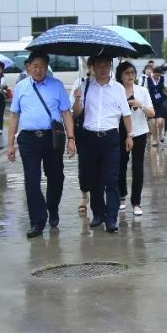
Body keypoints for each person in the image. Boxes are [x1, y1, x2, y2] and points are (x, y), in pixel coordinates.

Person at [6, 51, 77, 238]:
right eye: (35, 66)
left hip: (52, 138)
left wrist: (71, 139)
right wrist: (10, 143)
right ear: (28, 67)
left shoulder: (57, 86)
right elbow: (14, 115)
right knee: (31, 180)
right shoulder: (21, 87)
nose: (39, 70)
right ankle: (37, 221)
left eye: (42, 66)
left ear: (47, 67)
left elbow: (66, 113)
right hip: (28, 139)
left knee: (56, 177)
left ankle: (52, 208)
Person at [73, 54, 132, 232]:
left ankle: (111, 218)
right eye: (99, 65)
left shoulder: (118, 89)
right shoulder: (84, 86)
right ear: (93, 66)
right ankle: (98, 213)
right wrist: (77, 99)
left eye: (106, 65)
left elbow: (126, 114)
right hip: (89, 138)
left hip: (111, 138)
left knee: (111, 179)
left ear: (111, 66)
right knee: (93, 179)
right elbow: (76, 114)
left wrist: (130, 135)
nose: (103, 69)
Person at [117, 60, 154, 217]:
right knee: (120, 166)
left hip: (139, 133)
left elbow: (152, 113)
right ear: (120, 75)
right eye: (127, 73)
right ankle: (121, 196)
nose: (130, 76)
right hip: (120, 133)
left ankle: (136, 202)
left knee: (138, 168)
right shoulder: (115, 90)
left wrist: (141, 105)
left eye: (132, 72)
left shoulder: (142, 91)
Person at [71, 58, 94, 216]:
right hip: (84, 130)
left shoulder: (110, 83)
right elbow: (74, 113)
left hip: (103, 131)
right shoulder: (79, 83)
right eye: (94, 65)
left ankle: (98, 197)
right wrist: (78, 98)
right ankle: (84, 195)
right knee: (84, 165)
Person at [145, 65, 167, 145]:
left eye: (159, 75)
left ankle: (160, 134)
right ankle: (154, 139)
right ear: (154, 73)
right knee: (152, 122)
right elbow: (145, 90)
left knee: (159, 122)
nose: (158, 76)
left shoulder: (162, 78)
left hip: (161, 103)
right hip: (151, 103)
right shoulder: (148, 79)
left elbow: (165, 88)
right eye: (157, 75)